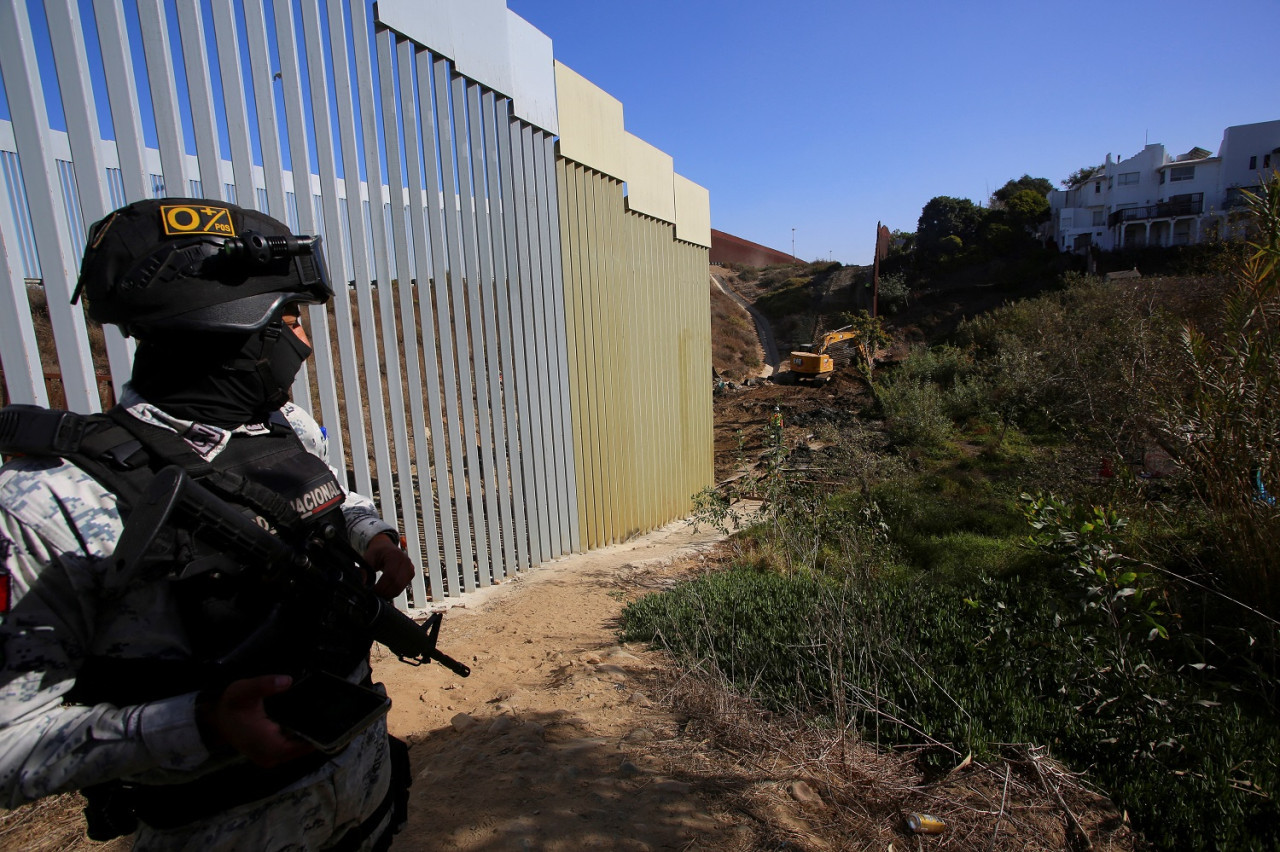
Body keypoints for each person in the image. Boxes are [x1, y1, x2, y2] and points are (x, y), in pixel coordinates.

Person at [0, 198, 415, 850]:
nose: (303, 341)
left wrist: (372, 533)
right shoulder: (48, 504)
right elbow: (8, 747)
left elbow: (338, 495)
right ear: (231, 327)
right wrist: (202, 725)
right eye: (291, 318)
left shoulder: (286, 429)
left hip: (366, 809)